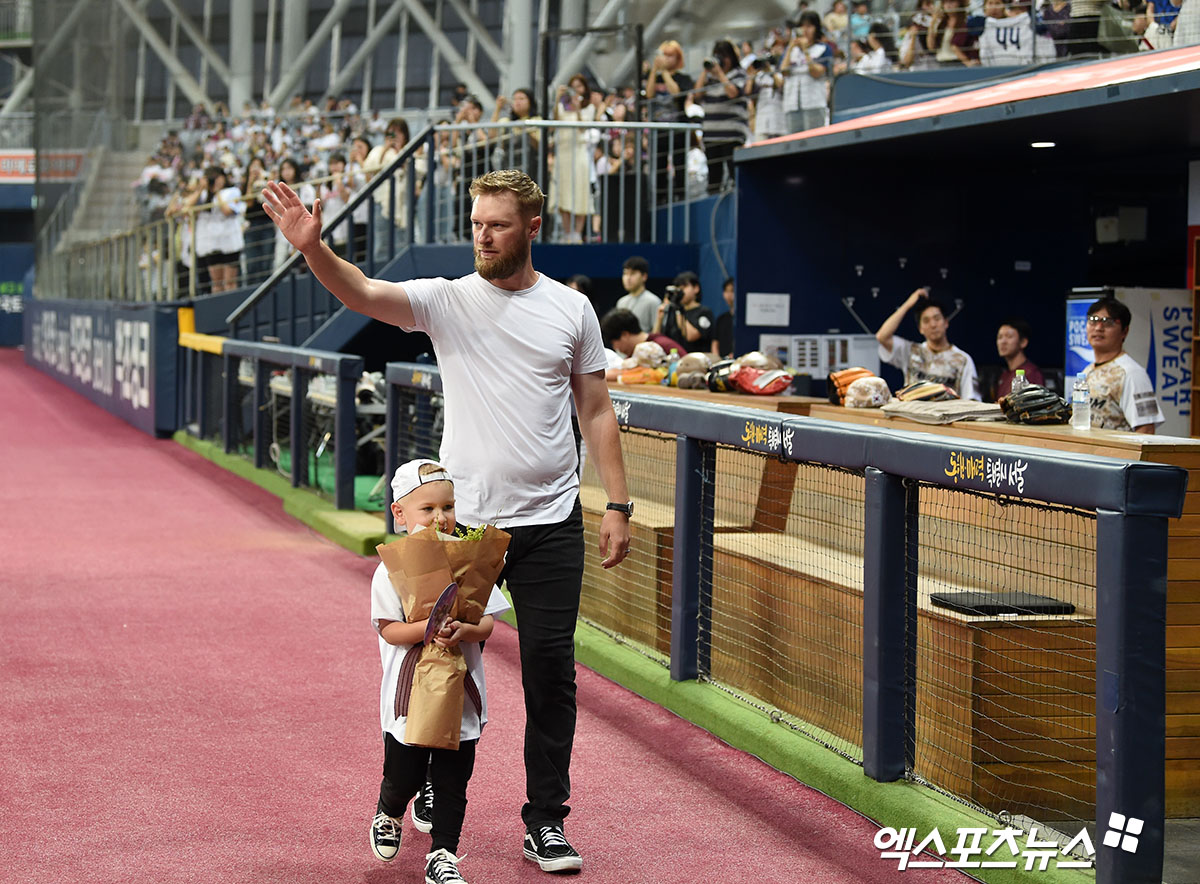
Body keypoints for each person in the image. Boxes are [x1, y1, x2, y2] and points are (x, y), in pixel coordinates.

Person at [263, 168, 631, 874]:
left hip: (553, 521)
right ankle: (429, 786)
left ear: (532, 228)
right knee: (442, 660)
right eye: (474, 224)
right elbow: (363, 293)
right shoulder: (447, 301)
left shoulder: (572, 310)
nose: (482, 236)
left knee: (552, 670)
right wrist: (314, 250)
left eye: (495, 225)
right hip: (467, 530)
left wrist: (615, 502)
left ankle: (545, 821)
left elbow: (595, 411)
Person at [369, 459, 510, 884]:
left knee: (453, 780)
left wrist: (467, 628)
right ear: (400, 514)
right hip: (409, 697)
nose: (441, 517)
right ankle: (391, 810)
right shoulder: (392, 567)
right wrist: (427, 629)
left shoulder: (468, 559)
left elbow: (487, 620)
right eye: (427, 509)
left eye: (447, 507)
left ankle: (443, 854)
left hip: (461, 694)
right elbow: (390, 629)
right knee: (405, 772)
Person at [875, 287, 981, 399]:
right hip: (912, 414)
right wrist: (908, 304)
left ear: (946, 323)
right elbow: (882, 336)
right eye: (926, 321)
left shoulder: (963, 360)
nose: (933, 325)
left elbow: (972, 399)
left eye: (937, 318)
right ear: (920, 328)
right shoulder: (911, 352)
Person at [1082, 298, 1164, 433]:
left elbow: (1146, 429)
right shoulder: (1087, 371)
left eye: (1108, 322)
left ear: (1124, 331)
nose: (1098, 328)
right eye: (1093, 320)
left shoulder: (1132, 373)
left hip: (1113, 453)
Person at [686, 40, 749, 193]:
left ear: (732, 57)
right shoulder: (710, 79)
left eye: (724, 56)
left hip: (732, 135)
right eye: (718, 56)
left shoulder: (739, 74)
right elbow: (697, 95)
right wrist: (705, 70)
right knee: (714, 179)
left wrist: (720, 73)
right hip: (712, 134)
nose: (722, 60)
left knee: (735, 174)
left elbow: (733, 92)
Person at [550, 74, 597, 243]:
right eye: (573, 86)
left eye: (579, 86)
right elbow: (554, 120)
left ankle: (577, 232)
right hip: (563, 153)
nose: (576, 89)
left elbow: (583, 128)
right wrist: (557, 98)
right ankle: (567, 231)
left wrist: (577, 108)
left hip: (579, 153)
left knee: (580, 190)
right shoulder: (562, 107)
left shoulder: (588, 107)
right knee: (563, 192)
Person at [780, 11, 834, 132]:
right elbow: (783, 71)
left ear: (816, 28)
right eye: (802, 26)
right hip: (792, 103)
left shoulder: (823, 49)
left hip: (813, 102)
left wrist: (805, 51)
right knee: (794, 142)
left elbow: (816, 72)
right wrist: (790, 48)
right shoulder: (791, 51)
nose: (805, 30)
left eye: (809, 26)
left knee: (814, 139)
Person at [654, 271, 716, 353]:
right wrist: (659, 318)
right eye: (678, 288)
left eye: (684, 287)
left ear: (696, 288)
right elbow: (656, 338)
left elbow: (691, 336)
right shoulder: (672, 311)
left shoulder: (704, 312)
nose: (681, 291)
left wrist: (678, 309)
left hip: (696, 361)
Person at [600, 307, 688, 359]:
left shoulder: (664, 345)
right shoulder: (630, 358)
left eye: (613, 343)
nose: (615, 348)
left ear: (625, 335)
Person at [994, 317, 1045, 399]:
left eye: (1009, 336)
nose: (1003, 342)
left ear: (1023, 342)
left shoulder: (1031, 373)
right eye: (999, 337)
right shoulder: (1004, 375)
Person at [614, 256, 662, 333]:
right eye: (625, 273)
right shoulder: (621, 302)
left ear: (644, 276)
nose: (628, 278)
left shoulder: (653, 301)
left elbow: (657, 334)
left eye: (632, 274)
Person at [713, 277, 735, 358]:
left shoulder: (743, 321)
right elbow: (715, 342)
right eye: (726, 291)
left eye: (732, 291)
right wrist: (717, 359)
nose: (729, 295)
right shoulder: (721, 319)